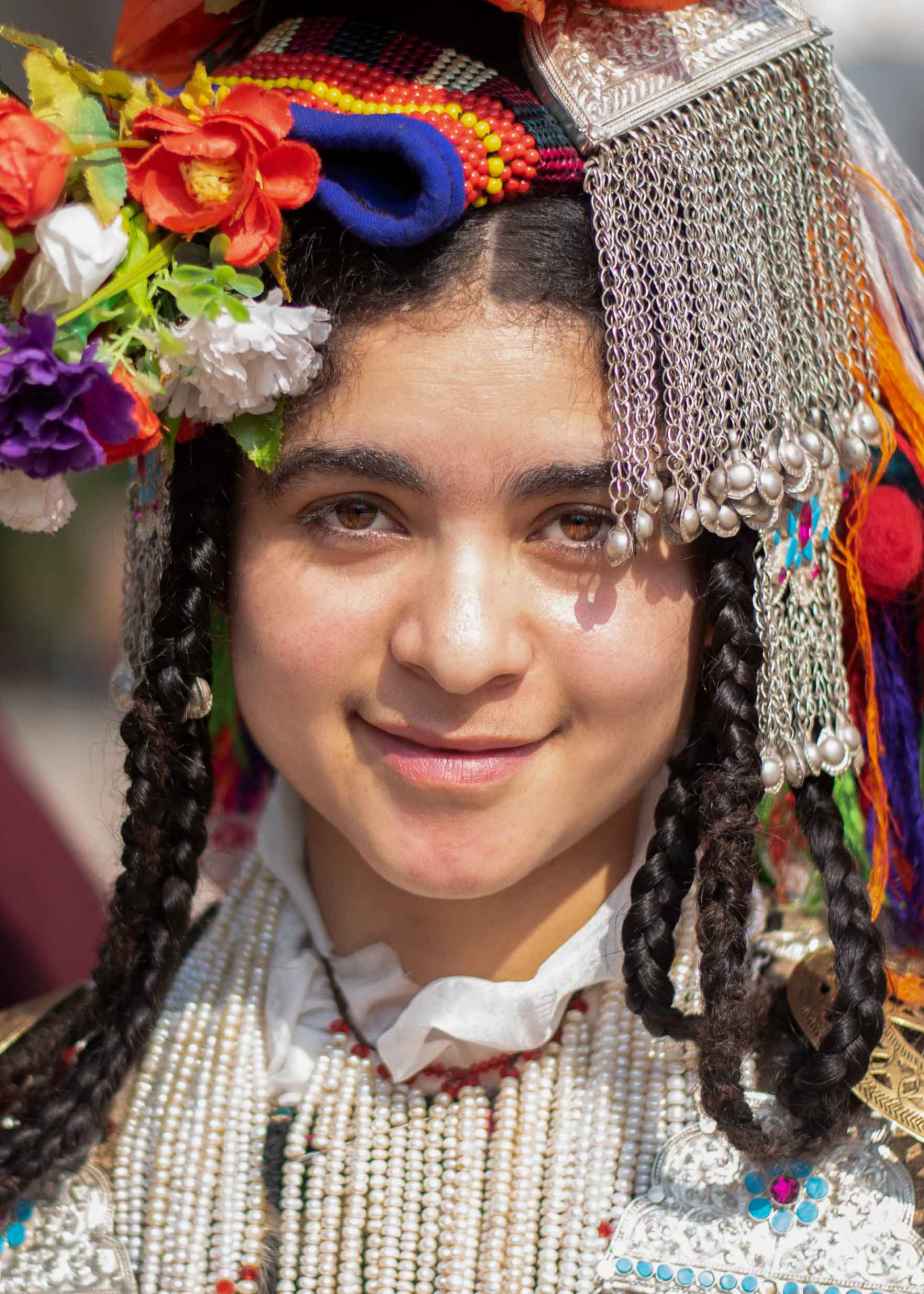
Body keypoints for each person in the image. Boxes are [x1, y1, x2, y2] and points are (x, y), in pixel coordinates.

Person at [0, 1, 922, 1290]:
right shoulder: (36, 1140)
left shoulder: (892, 1165)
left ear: (741, 560)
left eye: (584, 524)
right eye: (355, 514)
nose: (462, 647)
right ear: (200, 546)